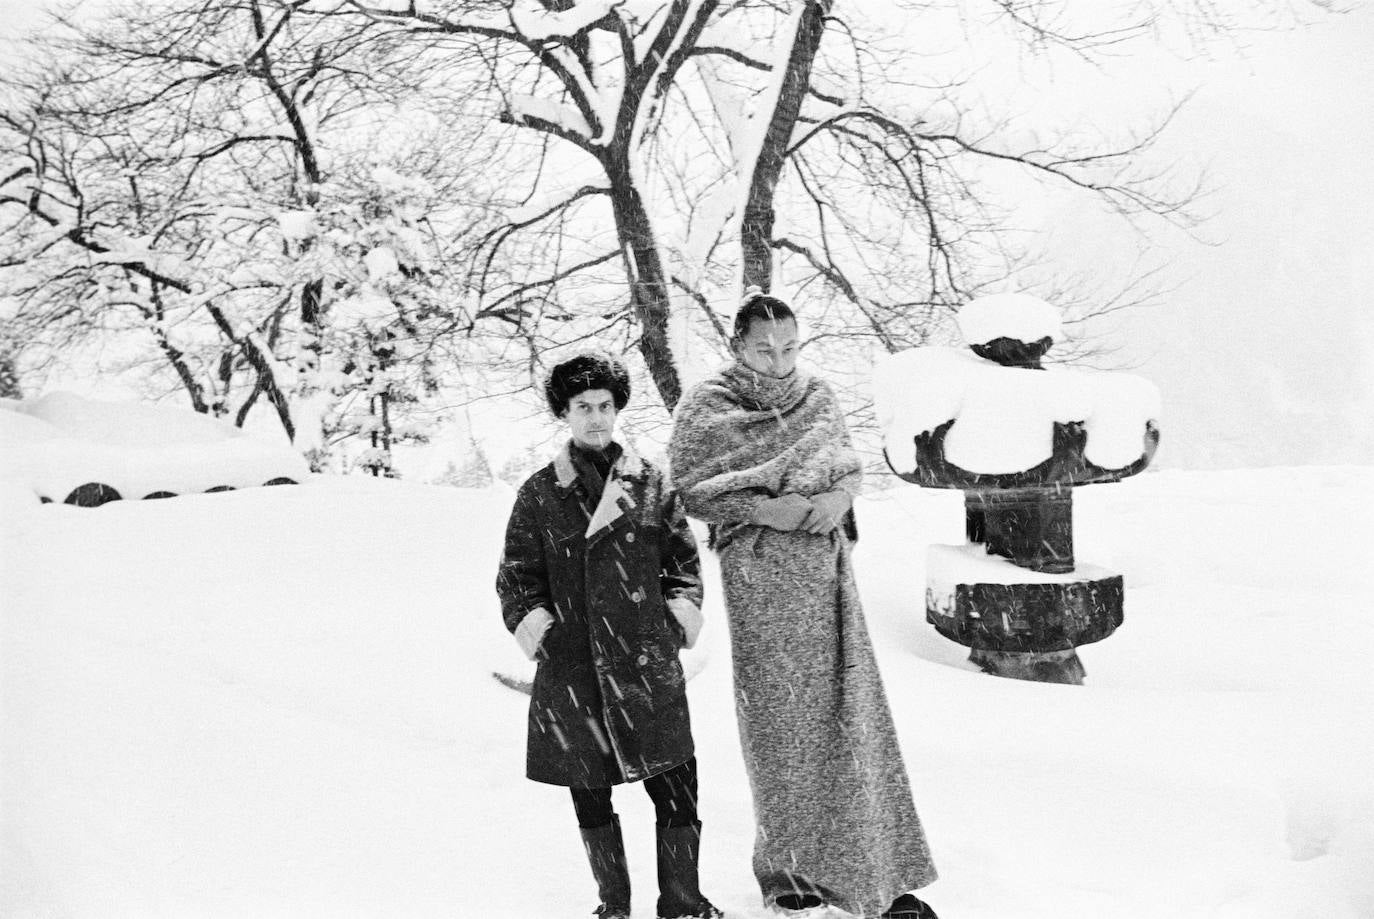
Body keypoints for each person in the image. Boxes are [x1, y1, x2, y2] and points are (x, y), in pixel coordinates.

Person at [668, 292, 939, 918]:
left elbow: (848, 465)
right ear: (737, 345)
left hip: (827, 575)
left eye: (789, 346)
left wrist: (838, 500)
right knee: (781, 728)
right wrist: (766, 509)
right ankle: (792, 875)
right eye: (764, 349)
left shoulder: (816, 396)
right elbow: (689, 490)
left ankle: (876, 868)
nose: (778, 360)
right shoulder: (707, 407)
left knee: (852, 717)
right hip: (763, 580)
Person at [497, 352, 722, 919]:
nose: (596, 419)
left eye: (604, 406)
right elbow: (517, 579)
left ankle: (683, 904)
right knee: (590, 791)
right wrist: (548, 636)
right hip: (577, 668)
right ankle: (613, 906)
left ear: (617, 408)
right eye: (583, 408)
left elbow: (683, 563)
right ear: (565, 414)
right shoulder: (540, 493)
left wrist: (672, 621)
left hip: (646, 665)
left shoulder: (650, 483)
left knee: (678, 786)